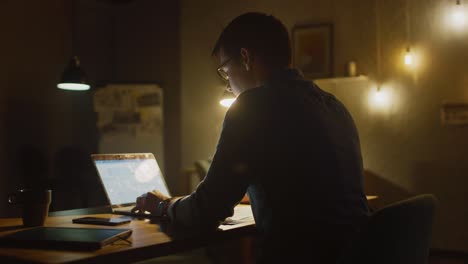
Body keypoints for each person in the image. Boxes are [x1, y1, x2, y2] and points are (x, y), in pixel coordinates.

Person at [132, 12, 370, 263]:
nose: (227, 85)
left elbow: (208, 210)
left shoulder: (253, 105)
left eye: (225, 71)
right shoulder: (335, 106)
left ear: (245, 58)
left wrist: (164, 205)